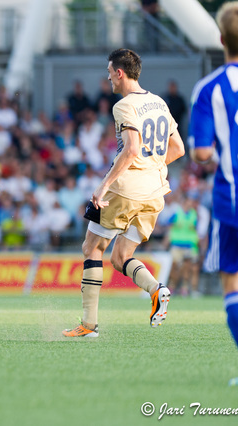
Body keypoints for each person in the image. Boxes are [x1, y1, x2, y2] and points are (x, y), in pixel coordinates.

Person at [63, 48, 185, 338]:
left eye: (109, 74)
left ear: (119, 73)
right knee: (120, 257)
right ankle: (157, 289)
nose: (109, 81)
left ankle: (88, 325)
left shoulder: (123, 106)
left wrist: (103, 185)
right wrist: (150, 167)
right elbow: (178, 149)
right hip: (155, 193)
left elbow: (131, 150)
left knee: (92, 248)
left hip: (125, 189)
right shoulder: (159, 102)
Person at [189, 2, 238, 385]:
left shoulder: (209, 88)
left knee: (231, 281)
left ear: (220, 39)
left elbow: (201, 152)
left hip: (230, 201)